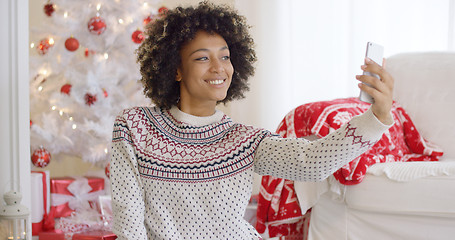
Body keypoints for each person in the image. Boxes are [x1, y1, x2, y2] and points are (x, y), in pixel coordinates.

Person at [109, 2, 394, 239]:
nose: (219, 68)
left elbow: (313, 161)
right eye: (201, 59)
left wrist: (376, 117)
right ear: (176, 70)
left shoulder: (244, 139)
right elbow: (128, 220)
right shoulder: (135, 127)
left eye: (225, 57)